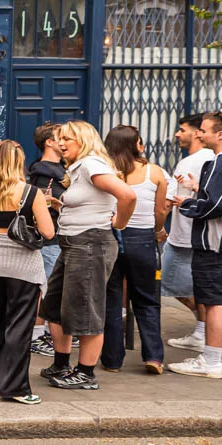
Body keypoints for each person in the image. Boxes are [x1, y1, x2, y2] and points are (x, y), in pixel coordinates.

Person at [39, 120, 136, 390]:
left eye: (67, 139)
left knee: (86, 310)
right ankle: (61, 363)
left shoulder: (92, 164)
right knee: (55, 307)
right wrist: (61, 204)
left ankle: (86, 373)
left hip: (90, 243)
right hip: (72, 243)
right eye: (59, 138)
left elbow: (126, 195)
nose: (61, 143)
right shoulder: (79, 168)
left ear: (84, 140)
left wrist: (119, 223)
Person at [0, 140, 56, 405]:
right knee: (19, 326)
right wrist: (47, 207)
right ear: (18, 163)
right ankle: (15, 387)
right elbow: (48, 232)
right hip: (22, 265)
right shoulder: (30, 192)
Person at [101, 124, 168, 373]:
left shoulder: (106, 172)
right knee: (147, 300)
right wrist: (158, 230)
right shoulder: (155, 172)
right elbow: (160, 210)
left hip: (111, 236)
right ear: (136, 144)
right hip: (143, 239)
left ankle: (112, 359)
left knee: (112, 299)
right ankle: (153, 357)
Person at [171, 111, 222, 378]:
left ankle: (212, 360)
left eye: (204, 130)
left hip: (212, 244)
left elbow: (216, 205)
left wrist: (187, 203)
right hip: (216, 242)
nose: (199, 134)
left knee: (213, 301)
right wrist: (196, 189)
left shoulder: (218, 163)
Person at [165, 113, 214, 353]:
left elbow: (170, 199)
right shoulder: (210, 159)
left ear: (196, 133)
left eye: (182, 129)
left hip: (186, 236)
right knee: (200, 287)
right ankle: (204, 331)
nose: (177, 134)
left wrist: (157, 228)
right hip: (193, 235)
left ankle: (206, 331)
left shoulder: (193, 161)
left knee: (173, 284)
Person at [27, 122, 68, 354]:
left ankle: (41, 333)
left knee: (48, 287)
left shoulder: (58, 170)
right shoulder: (46, 172)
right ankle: (36, 334)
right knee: (47, 288)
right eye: (59, 138)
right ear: (49, 142)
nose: (64, 142)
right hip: (49, 238)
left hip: (55, 237)